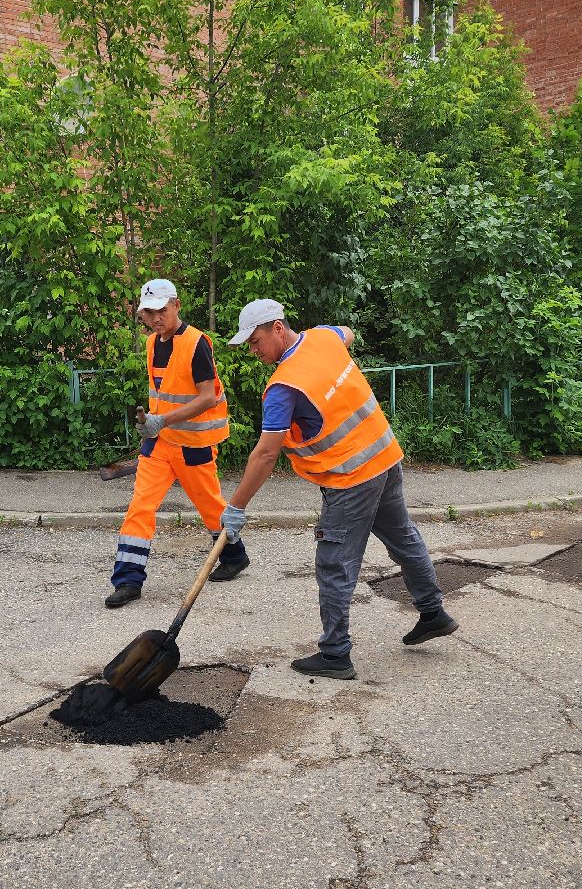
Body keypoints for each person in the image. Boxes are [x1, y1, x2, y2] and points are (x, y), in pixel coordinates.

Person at [219, 298, 456, 679]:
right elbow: (349, 333)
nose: (253, 350)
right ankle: (433, 613)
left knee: (334, 564)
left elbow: (265, 455)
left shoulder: (283, 387)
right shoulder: (322, 337)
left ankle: (335, 655)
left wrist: (237, 506)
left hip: (350, 478)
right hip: (384, 456)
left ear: (278, 328)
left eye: (256, 340)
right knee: (404, 539)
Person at [106, 279, 251, 608]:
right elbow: (163, 394)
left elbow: (207, 397)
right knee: (140, 507)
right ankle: (128, 580)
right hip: (159, 443)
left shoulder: (197, 343)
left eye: (162, 310)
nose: (156, 317)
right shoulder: (151, 344)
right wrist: (152, 424)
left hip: (194, 443)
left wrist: (163, 420)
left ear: (177, 306)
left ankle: (235, 556)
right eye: (149, 312)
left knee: (211, 505)